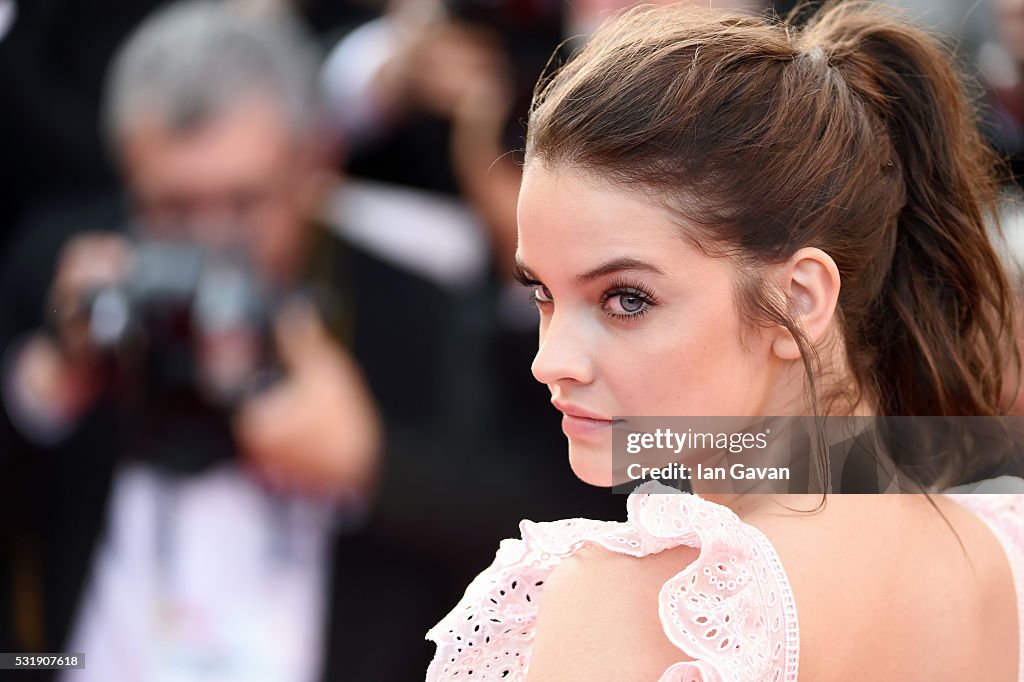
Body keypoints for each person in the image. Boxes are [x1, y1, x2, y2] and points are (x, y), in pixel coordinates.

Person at [425, 2, 1024, 681]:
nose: (550, 361)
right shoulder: (1000, 551)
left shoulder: (636, 605)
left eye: (626, 300)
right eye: (543, 295)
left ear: (797, 298)